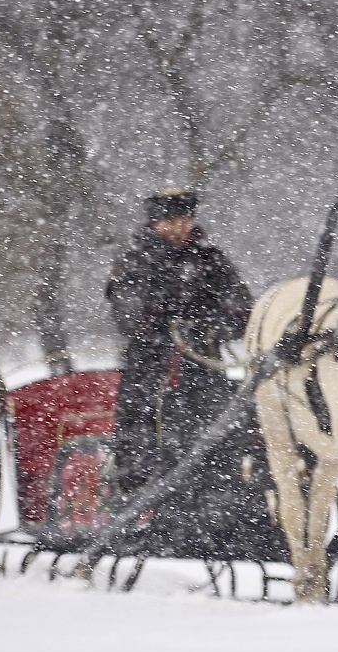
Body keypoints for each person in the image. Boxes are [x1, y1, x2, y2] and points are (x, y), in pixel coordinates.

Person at [106, 189, 252, 496]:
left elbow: (240, 304)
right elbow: (127, 310)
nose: (179, 227)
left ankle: (224, 483)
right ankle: (140, 482)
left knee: (228, 417)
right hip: (150, 362)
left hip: (203, 361)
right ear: (154, 222)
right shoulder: (135, 258)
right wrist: (162, 323)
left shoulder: (209, 258)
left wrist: (217, 323)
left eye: (184, 220)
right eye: (170, 221)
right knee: (139, 416)